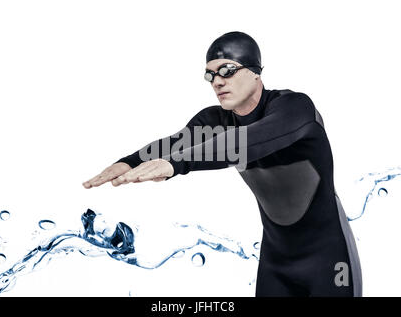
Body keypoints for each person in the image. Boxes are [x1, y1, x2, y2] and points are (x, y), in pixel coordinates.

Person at [82, 31, 362, 297]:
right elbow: (178, 143)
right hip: (276, 262)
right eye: (210, 75)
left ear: (255, 71)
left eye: (227, 70)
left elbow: (252, 140)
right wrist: (129, 162)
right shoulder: (215, 121)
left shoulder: (295, 108)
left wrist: (178, 164)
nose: (217, 81)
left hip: (328, 259)